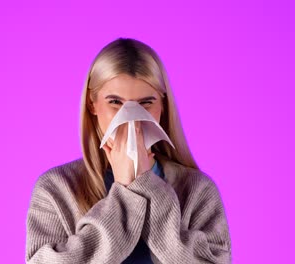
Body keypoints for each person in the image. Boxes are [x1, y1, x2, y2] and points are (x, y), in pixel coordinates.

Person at [25, 38, 232, 263]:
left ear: (162, 106)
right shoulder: (57, 190)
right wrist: (124, 193)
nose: (131, 117)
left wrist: (147, 185)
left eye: (145, 103)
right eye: (115, 102)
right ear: (92, 104)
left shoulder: (197, 190)